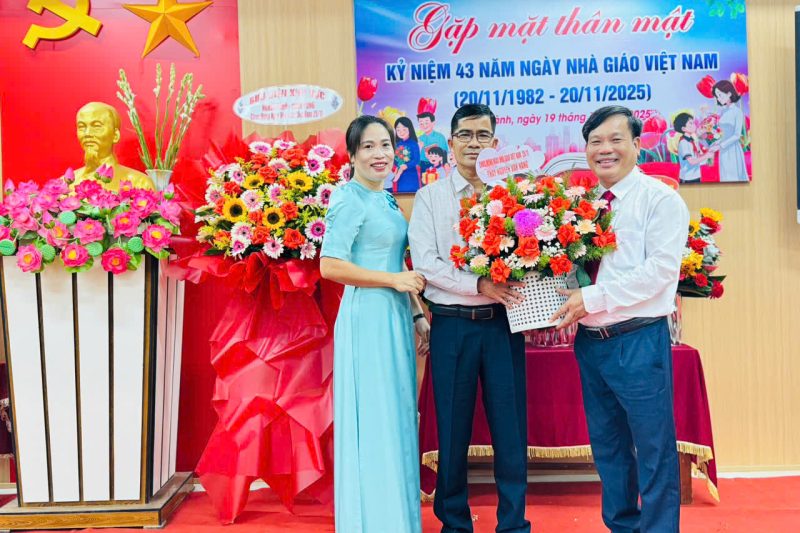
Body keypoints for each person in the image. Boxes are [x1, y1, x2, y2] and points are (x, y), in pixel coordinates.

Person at [552, 105, 689, 533]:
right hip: (591, 343)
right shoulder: (584, 206)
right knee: (608, 449)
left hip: (638, 340)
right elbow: (575, 270)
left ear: (637, 145)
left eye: (615, 139)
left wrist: (591, 297)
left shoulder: (660, 200)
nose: (605, 149)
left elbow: (659, 273)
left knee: (653, 449)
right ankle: (622, 527)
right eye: (595, 141)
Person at [409, 104, 531, 533]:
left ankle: (513, 523)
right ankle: (455, 524)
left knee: (510, 430)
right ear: (451, 141)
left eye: (483, 136)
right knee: (453, 430)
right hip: (452, 325)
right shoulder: (430, 197)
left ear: (496, 143)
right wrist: (479, 284)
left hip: (502, 325)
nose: (474, 144)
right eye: (465, 135)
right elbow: (426, 264)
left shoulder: (514, 195)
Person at [320, 115, 430, 533]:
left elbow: (397, 263)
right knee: (374, 416)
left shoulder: (385, 199)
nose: (379, 154)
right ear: (352, 155)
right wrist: (392, 281)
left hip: (395, 316)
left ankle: (398, 520)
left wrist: (417, 314)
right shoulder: (347, 198)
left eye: (385, 145)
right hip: (366, 316)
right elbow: (330, 266)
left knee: (397, 413)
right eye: (368, 146)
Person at [73, 102, 155, 190]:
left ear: (115, 135)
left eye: (96, 126)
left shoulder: (139, 183)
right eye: (81, 127)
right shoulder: (67, 183)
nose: (87, 133)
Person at [711, 80, 748, 182]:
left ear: (729, 93)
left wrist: (720, 145)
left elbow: (736, 135)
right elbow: (723, 133)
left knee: (734, 177)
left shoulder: (737, 112)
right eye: (717, 96)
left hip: (733, 149)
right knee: (725, 177)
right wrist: (716, 142)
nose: (718, 98)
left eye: (720, 95)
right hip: (723, 150)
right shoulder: (723, 111)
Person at [672, 112, 714, 183]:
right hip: (688, 178)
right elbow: (692, 161)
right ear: (684, 128)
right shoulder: (684, 143)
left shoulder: (692, 140)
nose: (694, 125)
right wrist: (706, 156)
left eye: (693, 123)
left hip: (695, 176)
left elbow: (698, 157)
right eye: (691, 123)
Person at [416, 99, 449, 171]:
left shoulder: (440, 137)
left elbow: (444, 153)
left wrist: (445, 164)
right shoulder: (419, 138)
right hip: (422, 166)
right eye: (421, 123)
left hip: (437, 166)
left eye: (426, 122)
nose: (424, 125)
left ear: (433, 123)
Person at [392, 116, 421, 193]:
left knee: (411, 193)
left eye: (404, 129)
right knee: (400, 193)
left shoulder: (414, 144)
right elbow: (394, 160)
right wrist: (396, 166)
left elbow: (416, 160)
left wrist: (407, 165)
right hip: (400, 175)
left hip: (411, 174)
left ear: (410, 129)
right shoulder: (397, 144)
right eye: (398, 130)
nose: (401, 132)